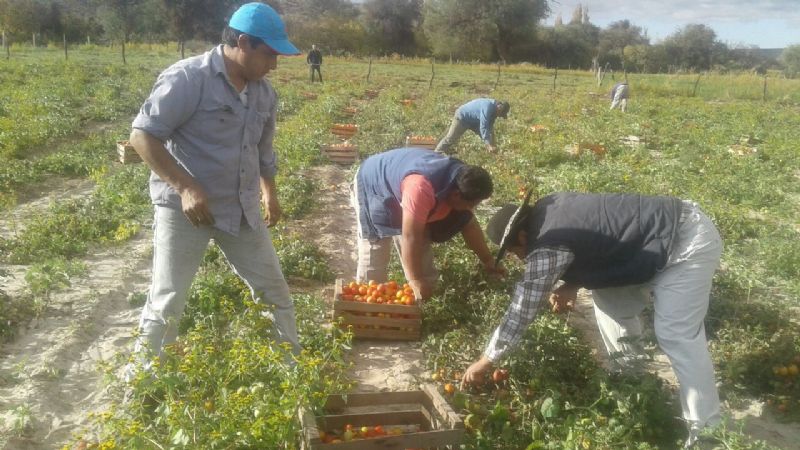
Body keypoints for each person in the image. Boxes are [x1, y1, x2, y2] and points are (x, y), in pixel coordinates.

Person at [462, 192, 723, 448]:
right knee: (610, 303)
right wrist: (573, 283)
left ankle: (707, 433)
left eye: (512, 251)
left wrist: (487, 360)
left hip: (685, 243)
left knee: (676, 335)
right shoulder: (550, 209)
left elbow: (522, 308)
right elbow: (601, 241)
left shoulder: (547, 244)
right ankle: (632, 381)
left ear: (521, 236)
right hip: (658, 238)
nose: (517, 258)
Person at [125, 3, 302, 380]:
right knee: (168, 299)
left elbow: (263, 150)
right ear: (243, 43)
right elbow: (142, 136)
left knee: (275, 294)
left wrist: (269, 190)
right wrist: (185, 186)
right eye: (269, 53)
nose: (274, 64)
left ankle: (292, 378)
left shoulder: (264, 94)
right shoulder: (188, 79)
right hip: (185, 210)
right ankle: (141, 384)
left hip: (240, 208)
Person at [352, 147, 503, 300]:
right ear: (456, 194)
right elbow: (410, 237)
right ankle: (364, 305)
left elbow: (469, 225)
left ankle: (424, 299)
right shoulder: (421, 188)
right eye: (471, 204)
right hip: (376, 184)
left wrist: (488, 260)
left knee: (422, 239)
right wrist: (415, 280)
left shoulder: (463, 181)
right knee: (375, 249)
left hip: (406, 184)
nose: (471, 208)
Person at [435, 98, 510, 155]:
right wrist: (489, 145)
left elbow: (490, 129)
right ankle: (436, 154)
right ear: (499, 108)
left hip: (475, 121)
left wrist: (493, 145)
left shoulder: (495, 111)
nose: (499, 116)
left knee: (489, 137)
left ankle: (493, 154)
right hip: (463, 117)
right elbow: (483, 126)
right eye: (500, 114)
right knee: (450, 138)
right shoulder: (488, 106)